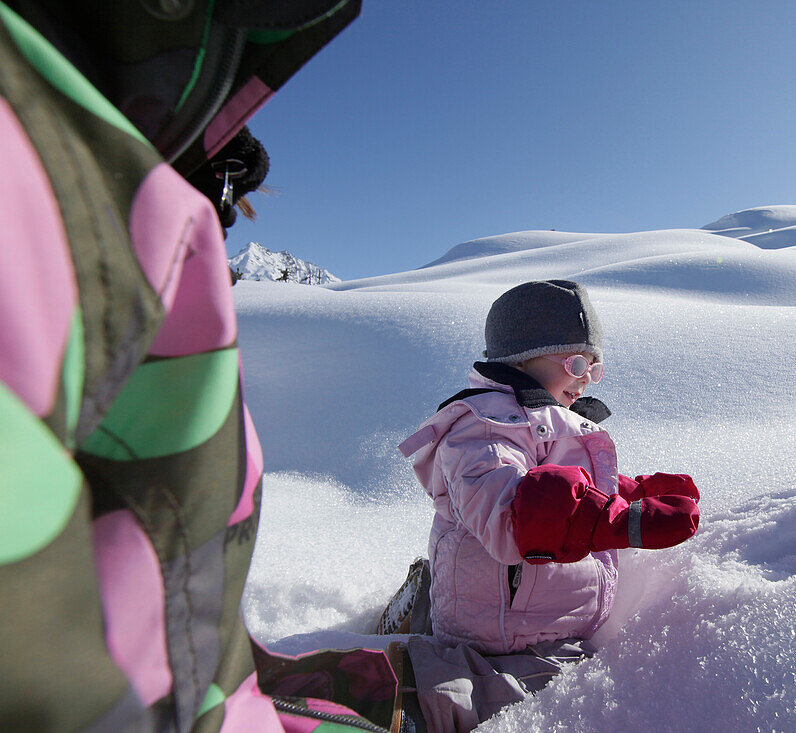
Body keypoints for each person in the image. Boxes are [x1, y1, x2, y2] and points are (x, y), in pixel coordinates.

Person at [0, 2, 412, 731]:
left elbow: (171, 635)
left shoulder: (104, 209)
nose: (219, 215)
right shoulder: (53, 191)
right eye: (222, 191)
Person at [396, 279, 701, 731]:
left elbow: (566, 485)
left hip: (537, 617)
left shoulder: (547, 421)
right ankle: (415, 691)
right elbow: (510, 512)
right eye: (577, 362)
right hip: (506, 636)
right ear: (522, 357)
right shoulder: (482, 427)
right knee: (528, 696)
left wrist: (628, 493)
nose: (585, 379)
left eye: (595, 368)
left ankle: (423, 604)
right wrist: (621, 521)